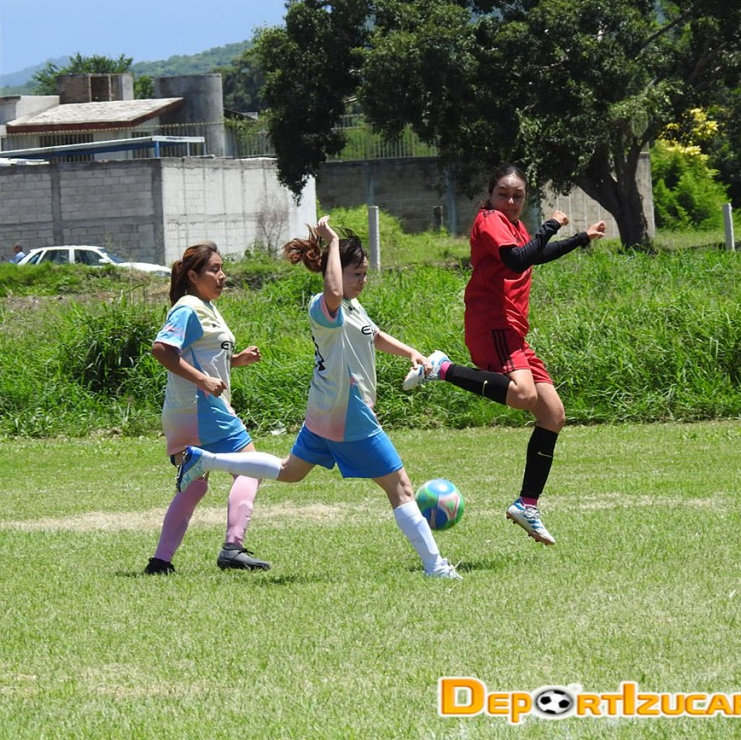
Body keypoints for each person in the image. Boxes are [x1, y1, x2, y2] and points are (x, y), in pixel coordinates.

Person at [174, 216, 461, 579]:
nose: (362, 280)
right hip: (347, 411)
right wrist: (334, 242)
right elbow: (335, 293)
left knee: (288, 471)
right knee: (400, 487)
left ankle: (206, 459)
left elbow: (373, 335)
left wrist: (411, 353)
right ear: (335, 272)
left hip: (325, 409)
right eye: (355, 273)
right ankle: (436, 567)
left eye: (364, 273)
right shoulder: (323, 306)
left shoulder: (353, 307)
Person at [403, 163, 606, 546]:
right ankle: (442, 368)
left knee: (552, 415)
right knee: (524, 396)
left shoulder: (514, 226)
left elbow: (533, 255)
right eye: (504, 194)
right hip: (493, 322)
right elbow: (515, 259)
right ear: (490, 195)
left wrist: (581, 237)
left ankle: (527, 505)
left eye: (517, 196)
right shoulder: (489, 220)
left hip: (514, 330)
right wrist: (551, 224)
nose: (511, 201)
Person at [143, 242, 271, 574]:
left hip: (188, 411)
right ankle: (233, 548)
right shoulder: (188, 307)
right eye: (214, 269)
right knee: (252, 468)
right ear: (193, 275)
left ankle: (160, 561)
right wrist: (202, 380)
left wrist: (236, 360)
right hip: (203, 410)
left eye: (221, 268)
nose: (222, 275)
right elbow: (161, 350)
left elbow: (201, 355)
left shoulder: (205, 306)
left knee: (194, 484)